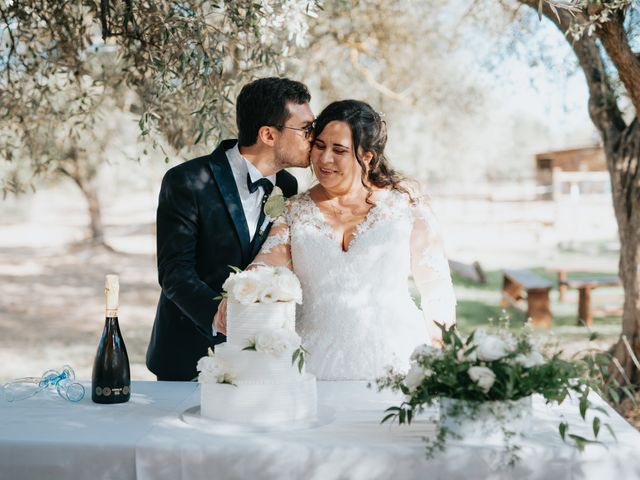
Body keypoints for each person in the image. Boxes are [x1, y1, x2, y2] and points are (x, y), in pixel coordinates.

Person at [216, 99, 456, 380]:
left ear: (367, 156)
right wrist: (241, 290)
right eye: (319, 145)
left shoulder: (406, 205)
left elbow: (436, 289)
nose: (324, 158)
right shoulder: (294, 210)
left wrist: (443, 354)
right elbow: (265, 265)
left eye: (339, 150)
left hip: (397, 356)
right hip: (309, 363)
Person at [146, 77, 314, 381]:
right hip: (190, 357)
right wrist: (221, 316)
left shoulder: (288, 187)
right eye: (305, 129)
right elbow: (174, 272)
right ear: (268, 135)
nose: (312, 138)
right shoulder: (187, 181)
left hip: (263, 358)